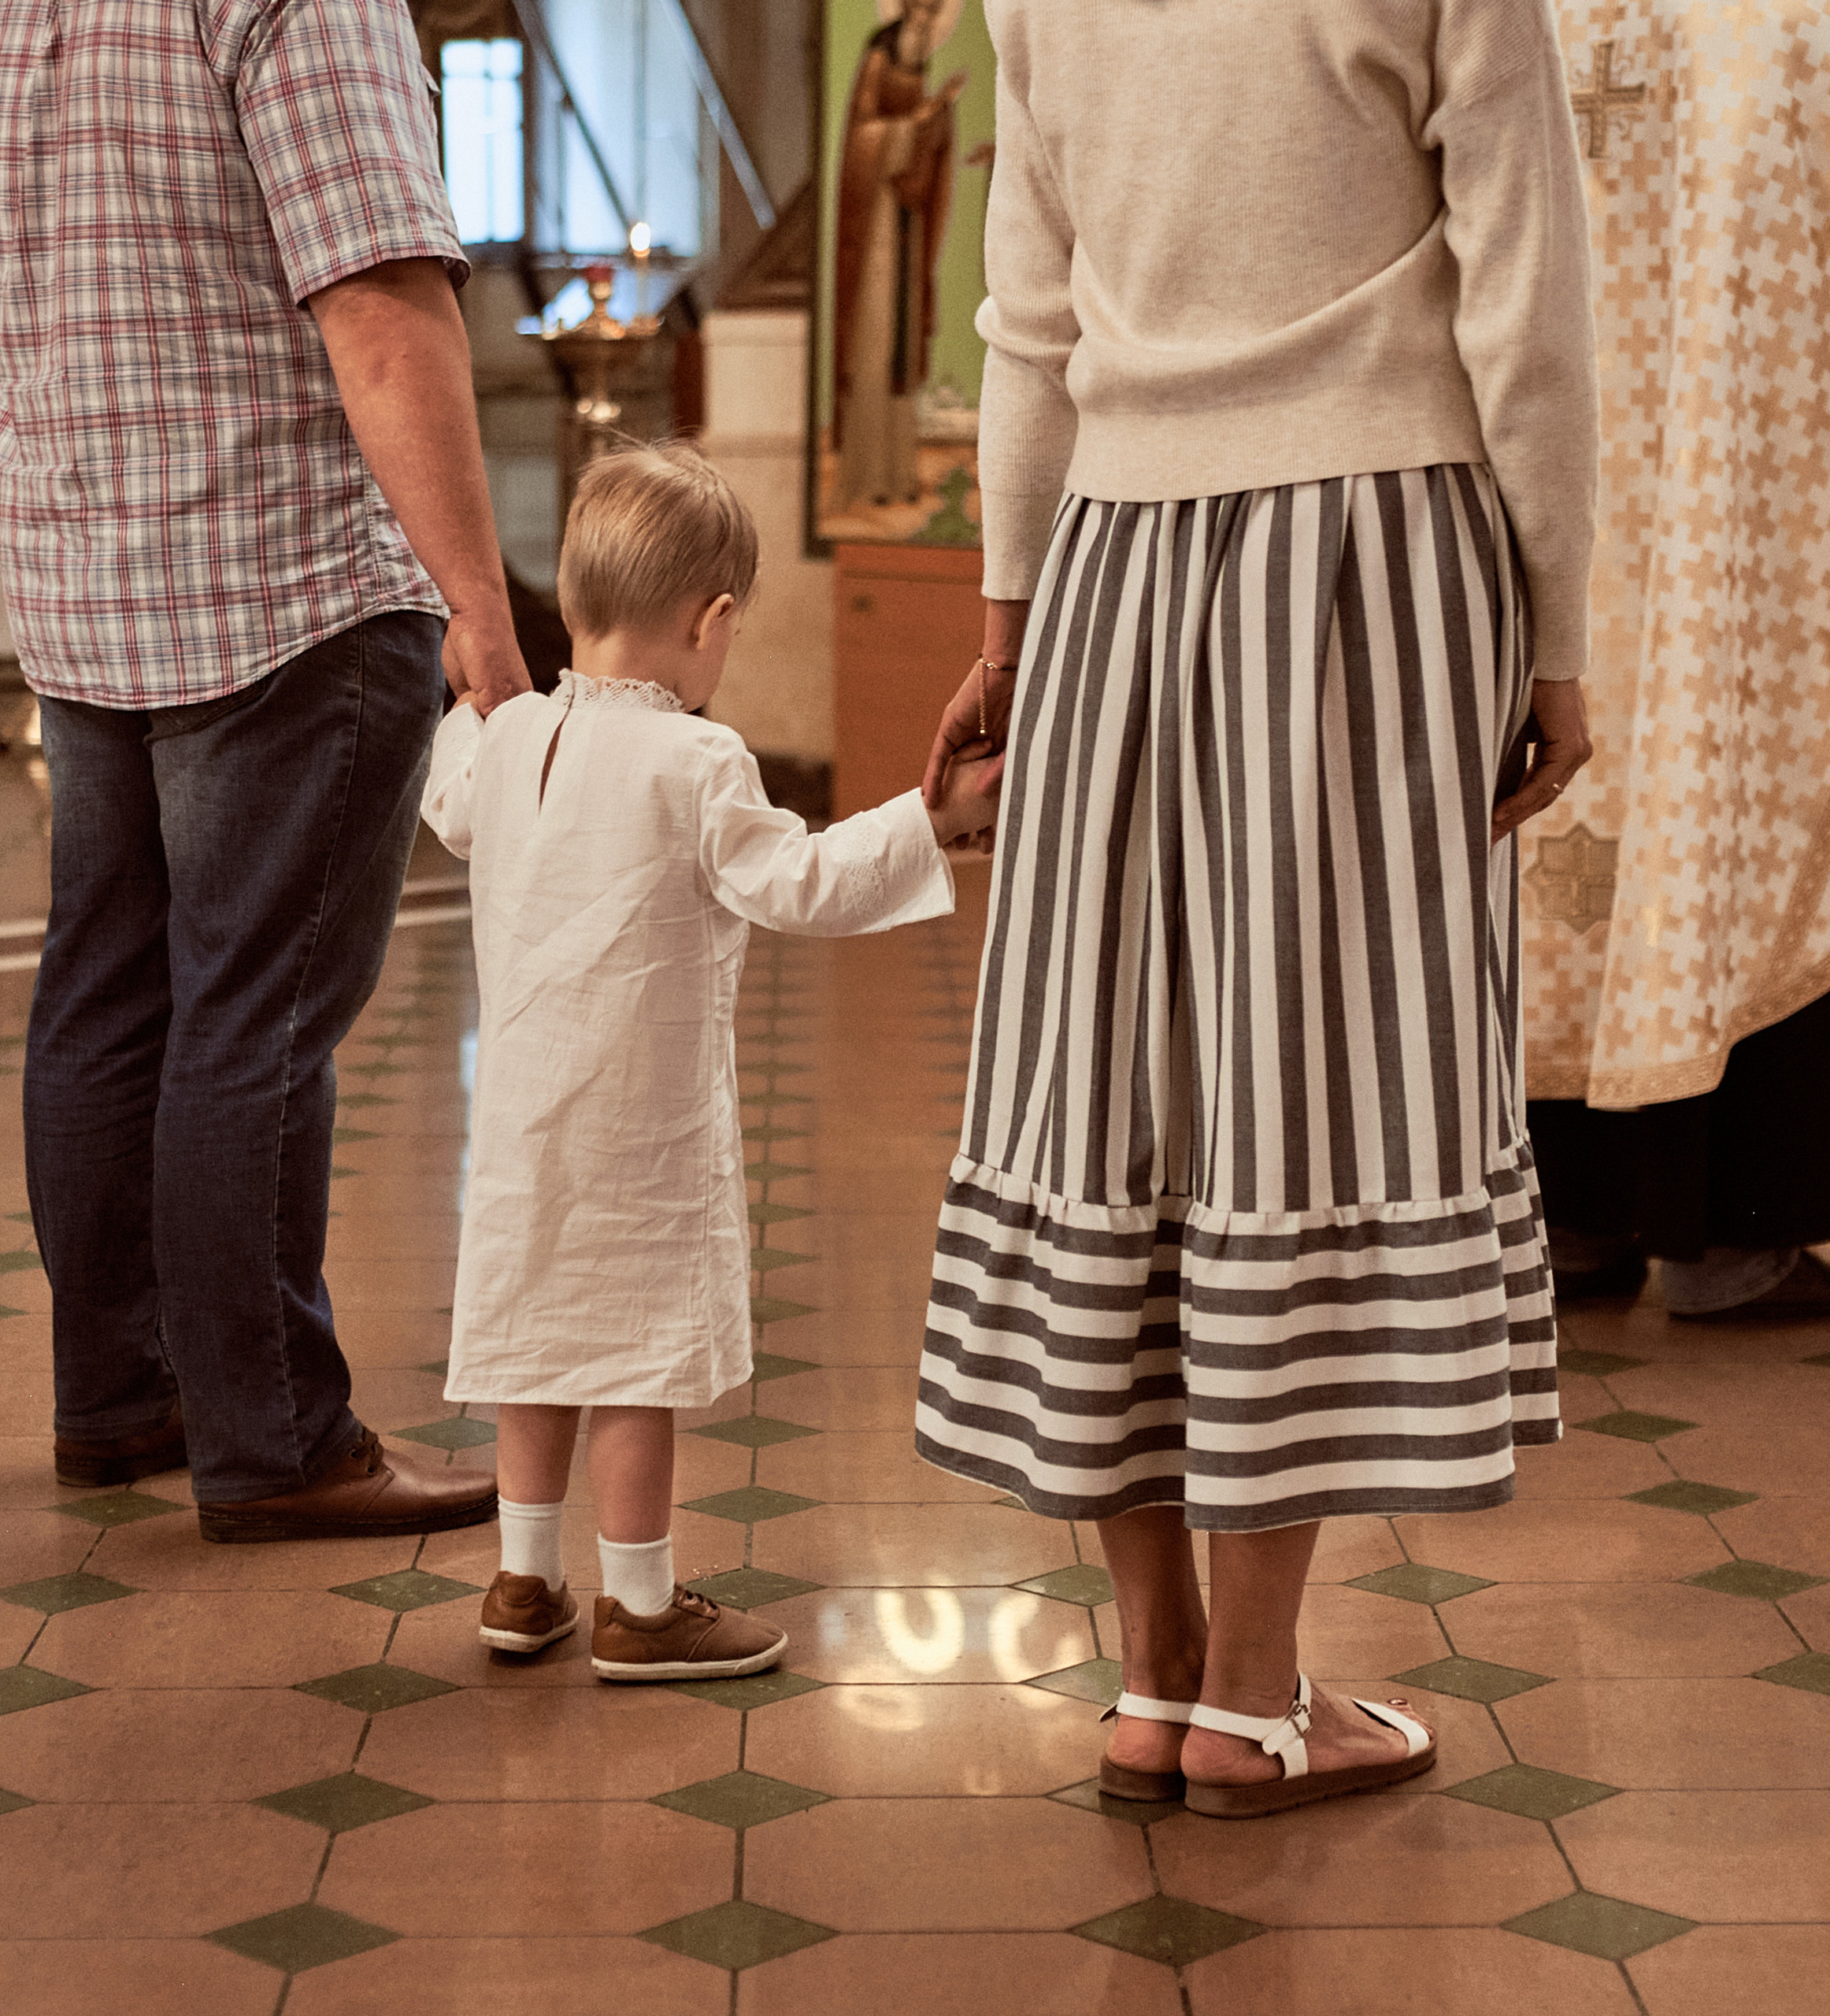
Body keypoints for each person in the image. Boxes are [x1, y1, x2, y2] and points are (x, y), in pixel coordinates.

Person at [914, 0, 1598, 1818]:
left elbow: (1026, 311)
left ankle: (1151, 1673)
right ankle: (1251, 1696)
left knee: (1115, 1096)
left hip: (1108, 559)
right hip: (1378, 550)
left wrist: (1006, 619)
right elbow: (1526, 296)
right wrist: (1558, 635)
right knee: (1305, 1098)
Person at [0, 0, 528, 1537]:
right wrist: (480, 606)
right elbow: (379, 304)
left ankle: (121, 1395)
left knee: (104, 994)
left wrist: (83, 519)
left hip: (85, 590)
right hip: (284, 588)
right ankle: (274, 1438)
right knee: (255, 1018)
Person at [420, 443, 1000, 1677]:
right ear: (712, 619)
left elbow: (451, 798)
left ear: (573, 597)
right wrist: (933, 820)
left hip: (520, 1125)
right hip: (642, 1128)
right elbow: (800, 882)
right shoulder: (696, 761)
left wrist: (468, 701)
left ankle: (524, 1582)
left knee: (536, 1339)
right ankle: (640, 1605)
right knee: (635, 1359)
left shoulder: (511, 738)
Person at [1525, 0, 1830, 1317]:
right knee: (1746, 791)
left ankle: (1570, 1211)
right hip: (1744, 509)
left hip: (1555, 489)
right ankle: (1735, 1233)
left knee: (1556, 824)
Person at [830, 0, 965, 510]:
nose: (927, 26)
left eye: (934, 17)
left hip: (906, 227)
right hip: (873, 232)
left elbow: (927, 150)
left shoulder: (918, 71)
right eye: (922, 13)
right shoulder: (877, 61)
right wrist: (919, 121)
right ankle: (867, 477)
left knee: (900, 353)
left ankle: (897, 474)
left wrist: (938, 118)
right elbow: (864, 137)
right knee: (873, 346)